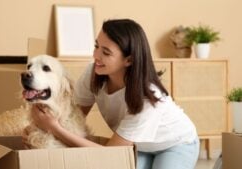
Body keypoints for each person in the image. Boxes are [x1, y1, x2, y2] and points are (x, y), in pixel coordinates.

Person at [24, 18, 199, 169]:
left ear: (129, 60)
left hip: (176, 145)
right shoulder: (94, 72)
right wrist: (39, 130)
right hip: (139, 146)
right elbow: (73, 118)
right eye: (96, 46)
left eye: (106, 52)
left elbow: (111, 155)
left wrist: (53, 128)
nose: (96, 56)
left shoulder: (147, 98)